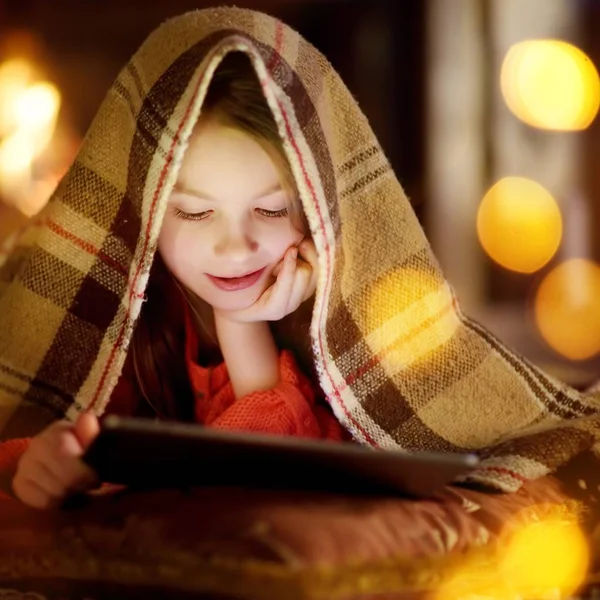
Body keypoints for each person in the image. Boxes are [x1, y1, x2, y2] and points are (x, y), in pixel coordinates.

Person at [1, 6, 599, 513]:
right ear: (148, 210)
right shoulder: (121, 318)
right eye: (193, 213)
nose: (235, 247)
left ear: (317, 203)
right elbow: (41, 433)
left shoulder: (365, 318)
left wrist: (241, 325)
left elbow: (264, 484)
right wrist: (54, 463)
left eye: (269, 209)